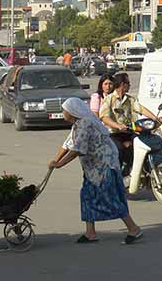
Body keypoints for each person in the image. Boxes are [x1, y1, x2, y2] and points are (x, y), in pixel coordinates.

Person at [48, 97, 143, 244]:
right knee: (87, 196)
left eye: (64, 110)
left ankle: (133, 229)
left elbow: (77, 149)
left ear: (72, 111)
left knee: (110, 198)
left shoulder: (85, 123)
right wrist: (55, 160)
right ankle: (90, 233)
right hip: (92, 168)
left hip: (104, 166)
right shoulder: (78, 124)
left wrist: (60, 164)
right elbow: (68, 144)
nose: (63, 113)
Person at [99, 72, 139, 176]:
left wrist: (155, 118)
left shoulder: (130, 99)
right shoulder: (109, 99)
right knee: (119, 150)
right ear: (122, 84)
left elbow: (141, 109)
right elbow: (104, 117)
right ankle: (118, 175)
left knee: (140, 144)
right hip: (112, 134)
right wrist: (118, 126)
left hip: (128, 132)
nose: (130, 85)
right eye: (128, 83)